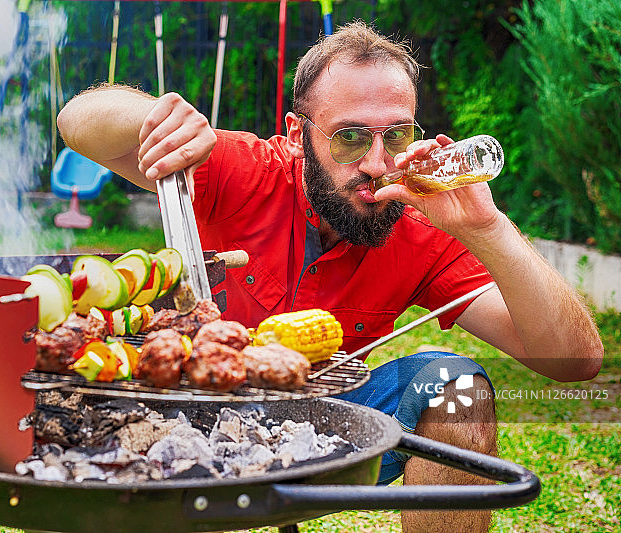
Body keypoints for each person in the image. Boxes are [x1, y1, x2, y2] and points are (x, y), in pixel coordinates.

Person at [57, 20, 603, 532]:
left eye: (397, 136)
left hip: (323, 424)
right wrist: (157, 118)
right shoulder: (242, 170)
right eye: (349, 138)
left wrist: (490, 230)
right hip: (194, 412)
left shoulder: (420, 224)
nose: (376, 162)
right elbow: (78, 124)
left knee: (458, 385)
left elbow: (575, 362)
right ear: (297, 135)